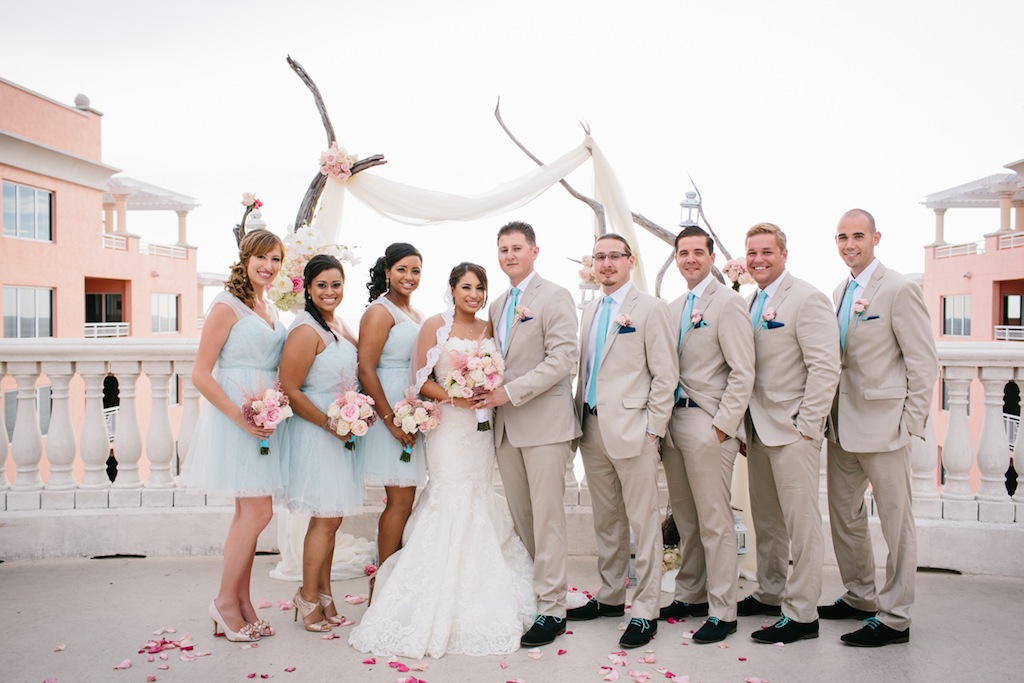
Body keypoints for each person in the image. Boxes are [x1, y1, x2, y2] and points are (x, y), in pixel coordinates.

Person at [349, 263, 535, 658]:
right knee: (449, 493)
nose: (474, 294)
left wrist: (485, 385)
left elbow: (500, 372)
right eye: (466, 287)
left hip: (480, 428)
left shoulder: (489, 328)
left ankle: (481, 585)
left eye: (480, 288)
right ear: (451, 290)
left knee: (479, 491)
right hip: (449, 426)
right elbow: (419, 380)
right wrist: (456, 395)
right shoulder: (434, 324)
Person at [819, 208, 937, 647]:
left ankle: (895, 617)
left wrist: (910, 423)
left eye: (857, 236)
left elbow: (923, 361)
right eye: (841, 237)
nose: (849, 244)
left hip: (886, 426)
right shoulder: (839, 291)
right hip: (842, 426)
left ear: (875, 238)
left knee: (896, 523)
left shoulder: (900, 289)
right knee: (844, 517)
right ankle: (860, 595)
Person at [473, 221, 580, 648]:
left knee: (549, 516)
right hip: (505, 430)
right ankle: (541, 593)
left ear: (535, 251)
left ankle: (553, 610)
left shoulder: (555, 296)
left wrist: (509, 392)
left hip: (544, 425)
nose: (509, 255)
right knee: (524, 519)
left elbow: (563, 359)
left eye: (517, 247)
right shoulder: (496, 305)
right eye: (503, 249)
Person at [567, 233, 676, 649]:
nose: (607, 263)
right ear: (592, 263)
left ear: (630, 261)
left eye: (615, 256)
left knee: (643, 521)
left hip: (634, 429)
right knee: (606, 518)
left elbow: (666, 374)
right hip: (591, 425)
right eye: (600, 257)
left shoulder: (651, 309)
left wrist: (654, 429)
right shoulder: (591, 310)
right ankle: (611, 596)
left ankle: (647, 608)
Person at [179, 229, 286, 643]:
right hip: (237, 418)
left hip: (262, 417)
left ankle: (243, 604)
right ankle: (224, 602)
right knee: (259, 513)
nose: (268, 266)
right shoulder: (226, 305)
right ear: (245, 258)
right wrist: (239, 417)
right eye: (261, 257)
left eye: (276, 259)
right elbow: (200, 374)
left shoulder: (267, 305)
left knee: (248, 514)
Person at [739, 222, 840, 644]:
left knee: (801, 525)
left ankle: (802, 614)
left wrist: (806, 426)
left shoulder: (806, 298)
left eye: (767, 251)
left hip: (793, 432)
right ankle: (770, 591)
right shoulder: (749, 302)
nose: (759, 259)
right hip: (757, 431)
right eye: (752, 253)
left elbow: (825, 366)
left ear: (784, 253)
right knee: (767, 520)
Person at [659, 226, 755, 644]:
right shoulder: (674, 306)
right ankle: (690, 593)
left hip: (708, 423)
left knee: (715, 520)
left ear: (712, 256)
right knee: (686, 517)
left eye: (699, 252)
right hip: (673, 424)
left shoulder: (729, 303)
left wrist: (723, 427)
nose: (691, 259)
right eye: (684, 253)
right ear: (676, 258)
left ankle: (723, 609)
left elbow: (743, 370)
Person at [278, 254, 362, 633]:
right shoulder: (304, 330)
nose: (330, 292)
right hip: (316, 433)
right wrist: (330, 423)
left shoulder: (337, 324)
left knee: (333, 516)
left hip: (339, 432)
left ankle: (324, 593)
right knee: (324, 518)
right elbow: (290, 389)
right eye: (322, 285)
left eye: (336, 284)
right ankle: (307, 596)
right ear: (308, 289)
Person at [357, 243, 426, 593]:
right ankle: (383, 584)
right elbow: (366, 369)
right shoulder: (379, 312)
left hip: (413, 413)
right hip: (391, 416)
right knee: (398, 501)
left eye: (415, 270)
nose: (409, 277)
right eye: (402, 269)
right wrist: (390, 421)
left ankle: (395, 575)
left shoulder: (414, 313)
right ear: (387, 271)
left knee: (406, 499)